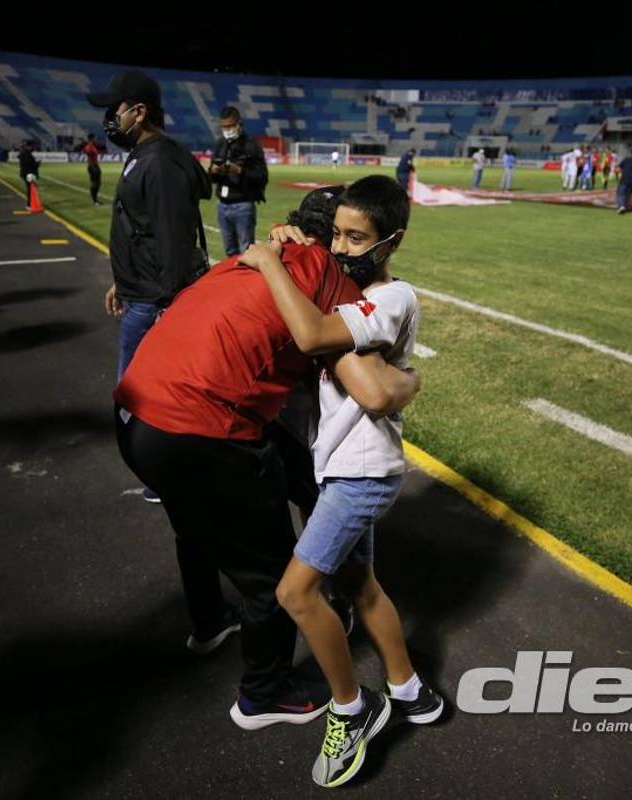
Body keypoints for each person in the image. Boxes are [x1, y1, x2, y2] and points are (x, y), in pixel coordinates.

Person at [113, 186, 420, 734]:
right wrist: (410, 380)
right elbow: (369, 385)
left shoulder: (256, 255)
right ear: (328, 237)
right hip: (199, 428)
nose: (348, 250)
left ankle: (209, 621)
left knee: (200, 525)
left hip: (136, 413)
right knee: (276, 572)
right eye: (343, 236)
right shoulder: (328, 278)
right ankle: (265, 692)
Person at [240, 176, 441, 788]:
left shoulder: (393, 297)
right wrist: (297, 241)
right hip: (344, 468)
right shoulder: (348, 285)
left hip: (362, 473)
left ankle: (351, 711)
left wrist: (270, 261)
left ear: (391, 241)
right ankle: (410, 690)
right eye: (337, 234)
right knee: (363, 588)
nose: (343, 248)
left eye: (358, 238)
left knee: (296, 594)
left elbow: (310, 334)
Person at [87, 71, 212, 503]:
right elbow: (139, 229)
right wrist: (120, 281)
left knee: (141, 397)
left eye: (114, 110)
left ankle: (168, 475)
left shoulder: (159, 162)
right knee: (141, 396)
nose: (109, 118)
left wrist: (166, 304)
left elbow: (172, 241)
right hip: (140, 293)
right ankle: (166, 471)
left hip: (154, 302)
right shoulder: (147, 154)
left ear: (138, 113)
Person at [209, 106, 268, 257]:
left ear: (239, 124)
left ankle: (247, 281)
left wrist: (240, 171)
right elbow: (212, 175)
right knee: (230, 251)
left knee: (247, 250)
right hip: (222, 205)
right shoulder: (220, 144)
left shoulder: (251, 145)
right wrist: (214, 171)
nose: (227, 129)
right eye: (224, 126)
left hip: (243, 204)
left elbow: (262, 176)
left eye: (230, 126)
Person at [80, 133, 104, 206]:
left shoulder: (93, 146)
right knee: (94, 183)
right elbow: (87, 152)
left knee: (98, 183)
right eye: (94, 138)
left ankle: (96, 199)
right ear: (91, 139)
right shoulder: (89, 146)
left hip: (95, 165)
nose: (95, 139)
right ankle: (94, 201)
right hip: (92, 166)